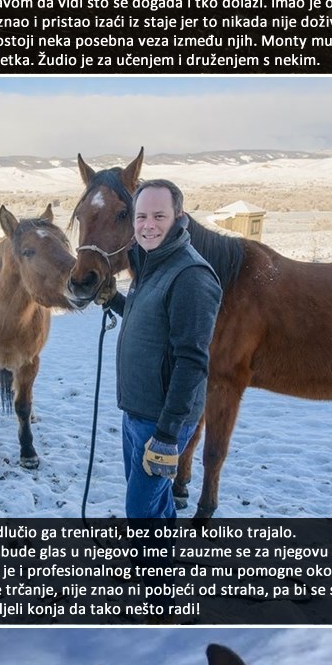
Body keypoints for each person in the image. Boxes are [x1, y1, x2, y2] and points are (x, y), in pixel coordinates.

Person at [114, 174, 235, 523]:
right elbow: (153, 322)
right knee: (153, 504)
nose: (148, 225)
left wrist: (167, 436)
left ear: (179, 218)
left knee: (139, 511)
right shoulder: (153, 263)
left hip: (161, 422)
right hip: (137, 412)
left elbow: (192, 362)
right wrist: (113, 301)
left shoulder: (191, 276)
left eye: (158, 216)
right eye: (141, 217)